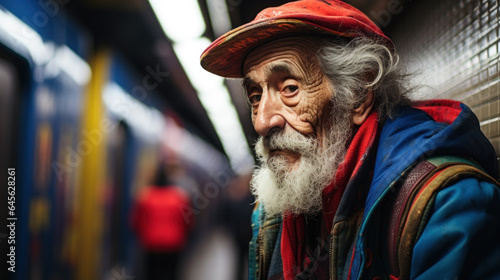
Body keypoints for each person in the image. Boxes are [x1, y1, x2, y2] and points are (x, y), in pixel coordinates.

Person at [199, 0, 500, 279]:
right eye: (255, 96)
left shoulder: (444, 205)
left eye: (290, 88)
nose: (264, 121)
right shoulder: (273, 211)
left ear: (356, 95)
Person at [130, 162, 193, 280]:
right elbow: (188, 222)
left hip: (151, 245)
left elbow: (135, 222)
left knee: (152, 273)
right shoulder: (180, 198)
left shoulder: (145, 197)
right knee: (170, 273)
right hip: (173, 245)